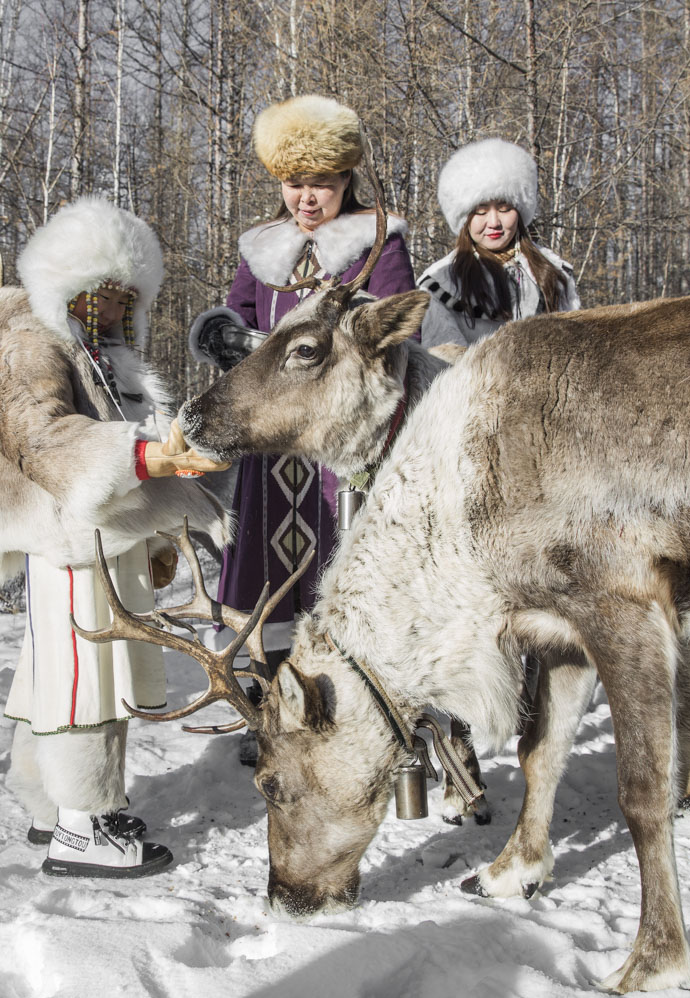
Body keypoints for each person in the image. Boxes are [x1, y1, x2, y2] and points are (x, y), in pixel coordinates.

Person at [0, 195, 228, 877]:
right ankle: (84, 823)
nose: (112, 308)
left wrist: (158, 534)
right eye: (102, 293)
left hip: (104, 537)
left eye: (125, 297)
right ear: (69, 283)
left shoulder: (101, 352)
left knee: (60, 668)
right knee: (86, 678)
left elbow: (129, 444)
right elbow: (42, 439)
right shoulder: (29, 344)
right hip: (68, 541)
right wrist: (144, 458)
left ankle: (50, 802)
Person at [191, 95, 415, 748]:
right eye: (296, 183)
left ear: (346, 180)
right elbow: (232, 312)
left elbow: (385, 325)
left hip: (337, 442)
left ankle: (348, 701)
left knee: (341, 560)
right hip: (268, 440)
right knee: (263, 561)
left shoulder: (376, 242)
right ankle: (267, 705)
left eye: (322, 183)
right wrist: (227, 339)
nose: (307, 198)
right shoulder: (263, 247)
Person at [418, 138, 581, 349]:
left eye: (504, 209)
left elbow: (574, 348)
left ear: (520, 212)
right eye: (481, 211)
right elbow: (443, 364)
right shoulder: (440, 283)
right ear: (464, 218)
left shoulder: (553, 272)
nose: (494, 222)